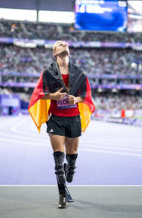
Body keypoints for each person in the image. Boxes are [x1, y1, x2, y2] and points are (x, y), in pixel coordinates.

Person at [28, 41, 95, 209]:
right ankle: (62, 195)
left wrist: (76, 99)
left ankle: (69, 172)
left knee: (71, 159)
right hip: (56, 118)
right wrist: (53, 96)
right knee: (59, 159)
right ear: (55, 53)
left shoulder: (79, 73)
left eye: (65, 44)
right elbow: (39, 95)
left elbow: (86, 97)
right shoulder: (48, 73)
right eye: (60, 44)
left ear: (68, 51)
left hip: (73, 118)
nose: (63, 44)